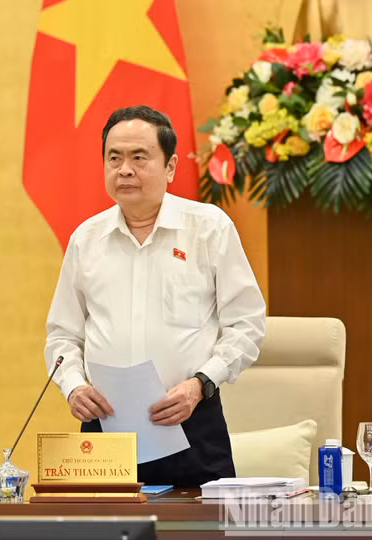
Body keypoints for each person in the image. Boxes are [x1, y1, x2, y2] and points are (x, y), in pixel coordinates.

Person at [44, 105, 266, 487]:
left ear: (170, 166)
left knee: (201, 522)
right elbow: (63, 335)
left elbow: (247, 325)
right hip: (105, 431)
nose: (124, 170)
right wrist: (73, 386)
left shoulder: (209, 229)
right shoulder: (86, 239)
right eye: (114, 158)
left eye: (139, 157)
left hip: (191, 422)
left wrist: (200, 384)